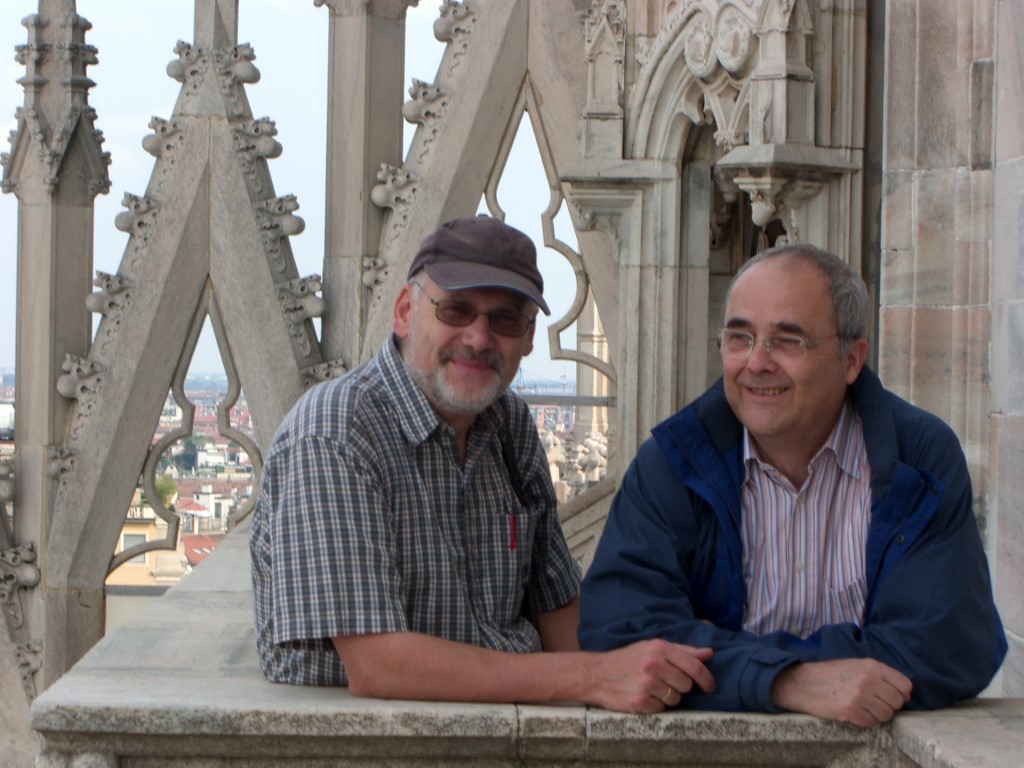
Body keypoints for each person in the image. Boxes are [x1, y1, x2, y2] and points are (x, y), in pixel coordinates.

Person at [250, 215, 715, 713]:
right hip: (380, 737)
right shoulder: (337, 429)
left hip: (511, 724)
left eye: (505, 320)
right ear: (405, 312)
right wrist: (596, 677)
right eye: (456, 310)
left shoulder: (508, 423)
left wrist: (669, 664)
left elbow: (560, 614)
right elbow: (378, 665)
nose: (478, 338)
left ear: (529, 338)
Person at [578, 243, 1006, 727]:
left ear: (851, 359)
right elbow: (618, 635)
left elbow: (948, 645)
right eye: (739, 338)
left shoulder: (918, 458)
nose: (756, 362)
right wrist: (784, 681)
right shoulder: (676, 459)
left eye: (787, 341)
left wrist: (725, 656)